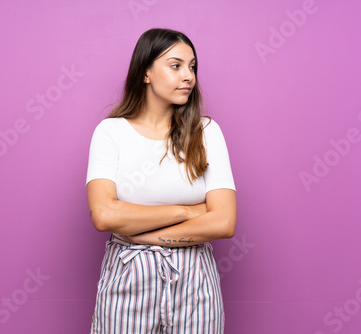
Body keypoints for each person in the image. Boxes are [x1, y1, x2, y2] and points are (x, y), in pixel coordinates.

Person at [86, 28, 237, 334]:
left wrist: (141, 234)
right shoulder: (110, 132)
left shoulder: (207, 131)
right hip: (128, 279)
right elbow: (104, 215)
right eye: (175, 65)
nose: (188, 76)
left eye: (192, 66)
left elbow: (223, 222)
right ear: (145, 73)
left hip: (195, 283)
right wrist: (188, 210)